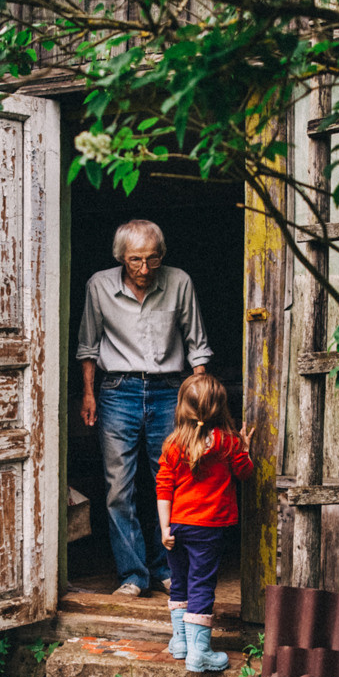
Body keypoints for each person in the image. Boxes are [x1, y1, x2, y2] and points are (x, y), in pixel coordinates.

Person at [77, 219, 212, 597]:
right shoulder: (99, 286)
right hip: (117, 390)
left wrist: (199, 397)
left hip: (169, 390)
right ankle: (133, 575)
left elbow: (197, 345)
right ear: (121, 257)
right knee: (118, 488)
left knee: (172, 482)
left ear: (162, 256)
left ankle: (166, 568)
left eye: (153, 259)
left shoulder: (179, 282)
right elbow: (88, 346)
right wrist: (88, 394)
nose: (145, 269)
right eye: (135, 260)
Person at [155, 373, 252, 672]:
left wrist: (165, 528)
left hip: (177, 527)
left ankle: (181, 643)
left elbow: (163, 487)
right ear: (220, 408)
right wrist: (245, 450)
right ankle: (199, 653)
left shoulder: (173, 444)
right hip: (209, 529)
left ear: (183, 407)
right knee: (201, 585)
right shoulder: (228, 442)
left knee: (179, 582)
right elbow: (245, 473)